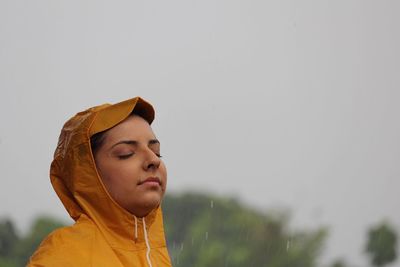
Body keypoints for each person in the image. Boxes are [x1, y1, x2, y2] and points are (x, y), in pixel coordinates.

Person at [28, 97, 172, 267]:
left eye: (157, 152)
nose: (153, 160)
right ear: (88, 173)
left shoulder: (157, 255)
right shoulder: (64, 258)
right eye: (126, 153)